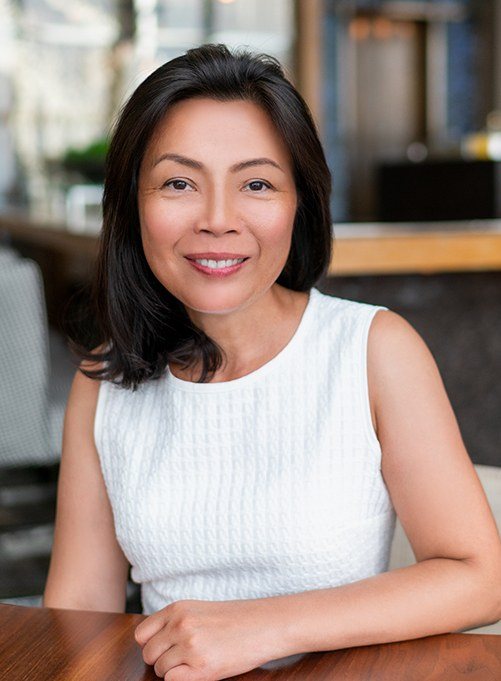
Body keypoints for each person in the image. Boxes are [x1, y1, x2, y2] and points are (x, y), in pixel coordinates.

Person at [43, 44, 501, 680]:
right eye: (179, 183)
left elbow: (478, 578)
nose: (218, 220)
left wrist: (263, 625)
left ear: (300, 203)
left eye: (256, 183)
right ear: (131, 205)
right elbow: (78, 618)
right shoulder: (107, 381)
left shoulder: (373, 350)